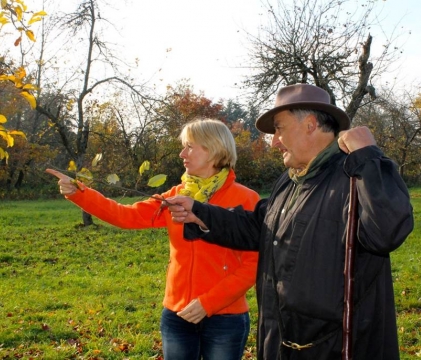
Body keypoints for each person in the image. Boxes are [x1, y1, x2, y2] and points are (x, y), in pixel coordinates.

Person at [164, 84, 414, 360]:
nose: (273, 142)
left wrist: (368, 156)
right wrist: (198, 212)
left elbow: (388, 231)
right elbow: (260, 226)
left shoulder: (353, 178)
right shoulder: (292, 180)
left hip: (334, 347)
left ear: (310, 125)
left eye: (279, 129)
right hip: (282, 341)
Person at [46, 119, 260, 360]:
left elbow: (253, 265)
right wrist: (80, 193)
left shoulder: (246, 199)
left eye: (189, 146)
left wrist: (208, 303)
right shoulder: (174, 197)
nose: (182, 154)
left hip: (225, 317)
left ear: (213, 149)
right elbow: (126, 216)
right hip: (177, 315)